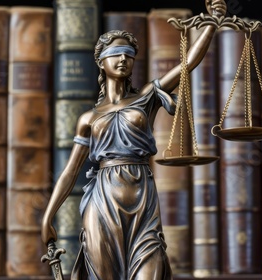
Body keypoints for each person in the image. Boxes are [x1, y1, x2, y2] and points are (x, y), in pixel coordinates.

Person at [42, 1, 227, 279]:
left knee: (149, 268)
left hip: (142, 198)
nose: (123, 59)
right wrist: (48, 215)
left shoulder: (146, 98)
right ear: (101, 62)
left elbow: (188, 64)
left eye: (128, 54)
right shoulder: (88, 118)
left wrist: (212, 23)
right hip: (102, 202)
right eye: (115, 54)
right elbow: (70, 171)